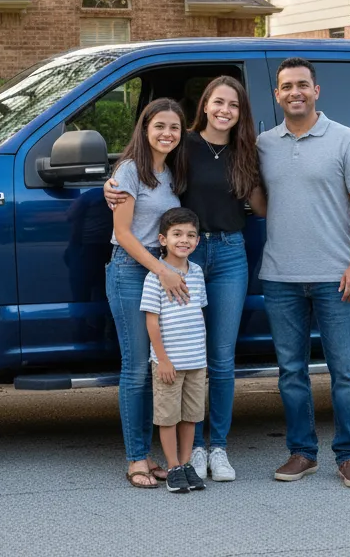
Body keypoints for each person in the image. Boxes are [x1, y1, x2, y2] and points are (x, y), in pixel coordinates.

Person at [104, 75, 265, 482]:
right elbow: (130, 194)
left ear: (241, 112)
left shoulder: (246, 152)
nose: (225, 109)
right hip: (168, 265)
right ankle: (154, 455)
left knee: (216, 358)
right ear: (205, 105)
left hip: (218, 255)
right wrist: (107, 184)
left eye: (234, 104)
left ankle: (216, 449)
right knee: (147, 364)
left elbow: (262, 206)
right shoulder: (182, 148)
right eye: (218, 101)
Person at [260, 57, 350, 488]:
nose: (295, 92)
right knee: (291, 372)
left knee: (344, 370)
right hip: (279, 276)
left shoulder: (346, 140)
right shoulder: (264, 144)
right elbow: (258, 200)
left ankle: (349, 456)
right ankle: (301, 453)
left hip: (336, 276)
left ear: (316, 90)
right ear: (277, 94)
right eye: (287, 86)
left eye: (302, 85)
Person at [106, 97, 190, 489]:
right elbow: (123, 233)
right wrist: (163, 270)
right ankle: (136, 458)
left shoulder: (170, 173)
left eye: (174, 128)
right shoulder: (128, 172)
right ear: (145, 128)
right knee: (137, 368)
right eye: (159, 126)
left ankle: (149, 454)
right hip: (130, 272)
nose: (167, 134)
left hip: (158, 275)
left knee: (157, 367)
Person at [141, 207, 211, 493]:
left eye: (191, 235)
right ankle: (172, 467)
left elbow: (199, 314)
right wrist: (163, 360)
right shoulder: (155, 276)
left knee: (191, 415)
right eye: (177, 234)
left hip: (196, 361)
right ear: (162, 239)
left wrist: (203, 356)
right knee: (168, 416)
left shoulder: (196, 273)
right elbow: (151, 321)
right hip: (168, 362)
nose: (185, 240)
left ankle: (185, 464)